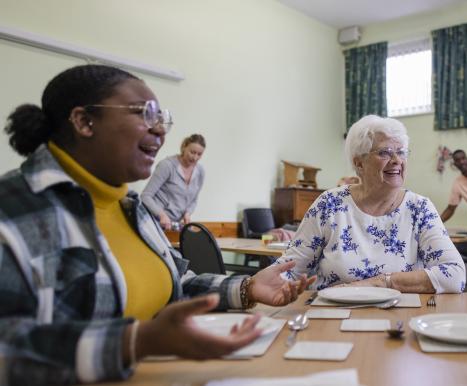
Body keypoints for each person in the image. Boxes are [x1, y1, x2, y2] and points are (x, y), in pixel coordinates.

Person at [0, 64, 313, 385]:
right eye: (143, 113)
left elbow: (177, 285)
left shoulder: (132, 208)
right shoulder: (14, 212)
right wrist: (134, 341)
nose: (161, 130)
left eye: (162, 118)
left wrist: (248, 287)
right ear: (83, 121)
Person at [273, 115, 466, 293]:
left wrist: (382, 282)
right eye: (385, 153)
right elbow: (290, 270)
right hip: (334, 315)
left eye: (401, 152)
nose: (397, 160)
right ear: (359, 164)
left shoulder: (420, 209)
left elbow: (455, 275)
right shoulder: (329, 205)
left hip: (400, 318)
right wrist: (250, 288)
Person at [142, 134, 206, 230]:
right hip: (154, 222)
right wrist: (161, 214)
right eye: (192, 152)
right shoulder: (167, 166)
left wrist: (188, 213)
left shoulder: (200, 172)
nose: (195, 158)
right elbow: (145, 196)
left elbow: (194, 200)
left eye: (199, 154)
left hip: (174, 225)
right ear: (184, 147)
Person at [440, 149, 467, 223]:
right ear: (454, 164)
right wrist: (436, 224)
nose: (461, 162)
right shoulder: (457, 184)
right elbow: (450, 208)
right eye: (457, 160)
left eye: (463, 158)